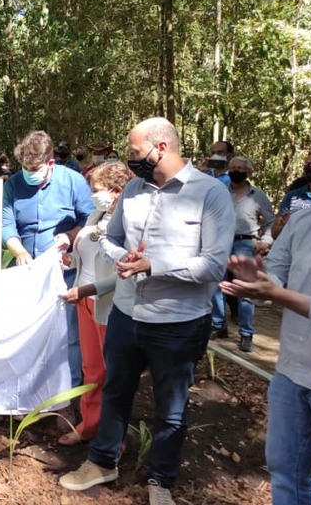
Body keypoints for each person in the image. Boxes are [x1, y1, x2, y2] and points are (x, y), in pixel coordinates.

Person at [59, 117, 234, 505]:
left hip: (178, 321)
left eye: (135, 152)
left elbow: (214, 264)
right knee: (116, 392)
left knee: (170, 409)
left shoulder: (209, 193)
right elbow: (113, 239)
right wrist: (125, 259)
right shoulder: (134, 190)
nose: (130, 159)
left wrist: (153, 265)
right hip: (126, 312)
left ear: (161, 148)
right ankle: (102, 462)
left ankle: (160, 482)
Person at [221, 183, 311, 505]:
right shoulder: (303, 221)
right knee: (285, 468)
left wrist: (276, 293)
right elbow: (276, 273)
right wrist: (257, 280)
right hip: (293, 370)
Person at [1, 131, 94, 390]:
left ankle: (66, 396)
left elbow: (90, 220)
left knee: (68, 335)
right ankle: (23, 392)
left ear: (50, 163)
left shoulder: (74, 181)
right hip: (25, 272)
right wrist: (18, 250)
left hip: (64, 271)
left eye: (35, 168)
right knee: (21, 332)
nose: (30, 173)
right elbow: (6, 223)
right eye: (26, 168)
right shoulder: (14, 184)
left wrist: (70, 236)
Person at [60, 162, 133, 446]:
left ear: (116, 191)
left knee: (114, 371)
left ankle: (115, 435)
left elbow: (127, 270)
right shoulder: (95, 215)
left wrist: (90, 288)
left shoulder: (129, 222)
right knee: (91, 369)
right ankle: (90, 424)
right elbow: (85, 252)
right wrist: (70, 259)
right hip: (84, 299)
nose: (92, 194)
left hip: (110, 304)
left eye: (96, 189)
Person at [209, 156, 274, 352]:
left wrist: (266, 241)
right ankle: (219, 325)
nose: (236, 171)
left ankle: (246, 333)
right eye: (233, 167)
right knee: (216, 285)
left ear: (248, 172)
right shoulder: (220, 192)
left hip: (246, 244)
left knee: (245, 291)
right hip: (220, 242)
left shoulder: (258, 195)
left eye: (240, 168)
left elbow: (271, 220)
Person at [273, 148, 311, 240]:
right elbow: (275, 233)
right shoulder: (292, 196)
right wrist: (286, 224)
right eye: (306, 165)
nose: (309, 168)